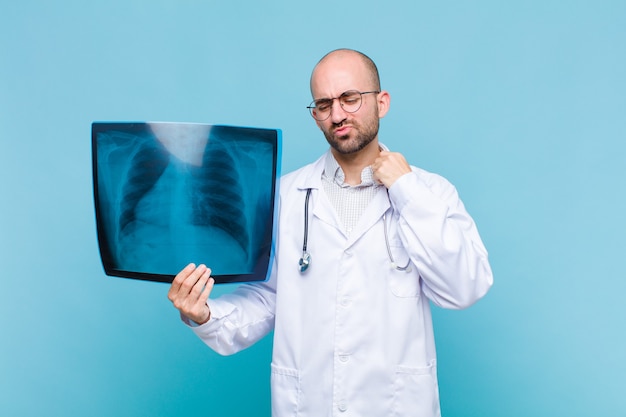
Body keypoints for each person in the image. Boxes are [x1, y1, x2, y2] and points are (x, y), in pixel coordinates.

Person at [168, 48, 493, 417]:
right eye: (323, 104)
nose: (337, 114)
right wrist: (206, 314)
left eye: (350, 98)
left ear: (381, 102)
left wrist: (406, 190)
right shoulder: (283, 196)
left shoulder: (430, 192)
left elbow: (465, 287)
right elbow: (267, 298)